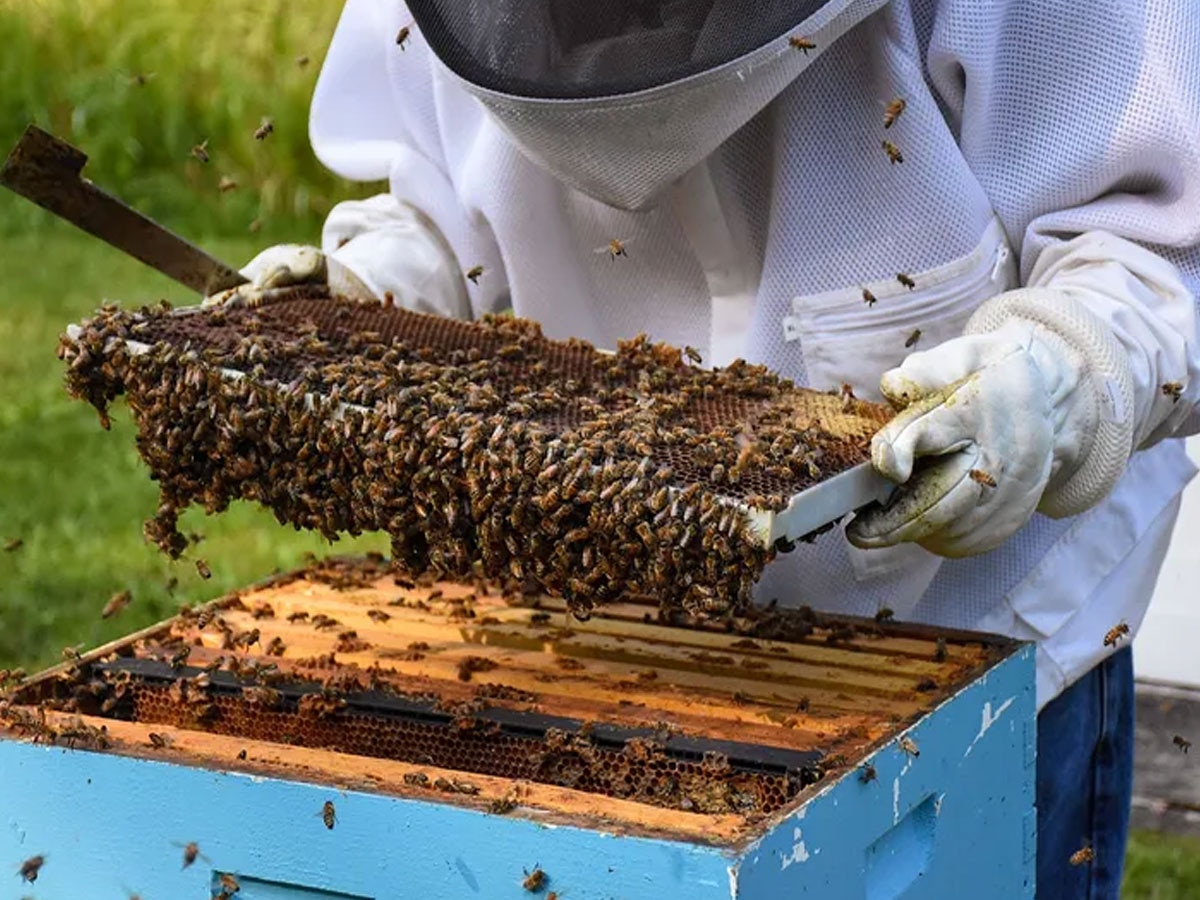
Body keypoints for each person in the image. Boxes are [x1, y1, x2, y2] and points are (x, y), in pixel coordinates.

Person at [206, 2, 1200, 895]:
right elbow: (443, 192)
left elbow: (1158, 250)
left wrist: (1054, 383)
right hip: (589, 633)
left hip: (984, 637)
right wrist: (390, 285)